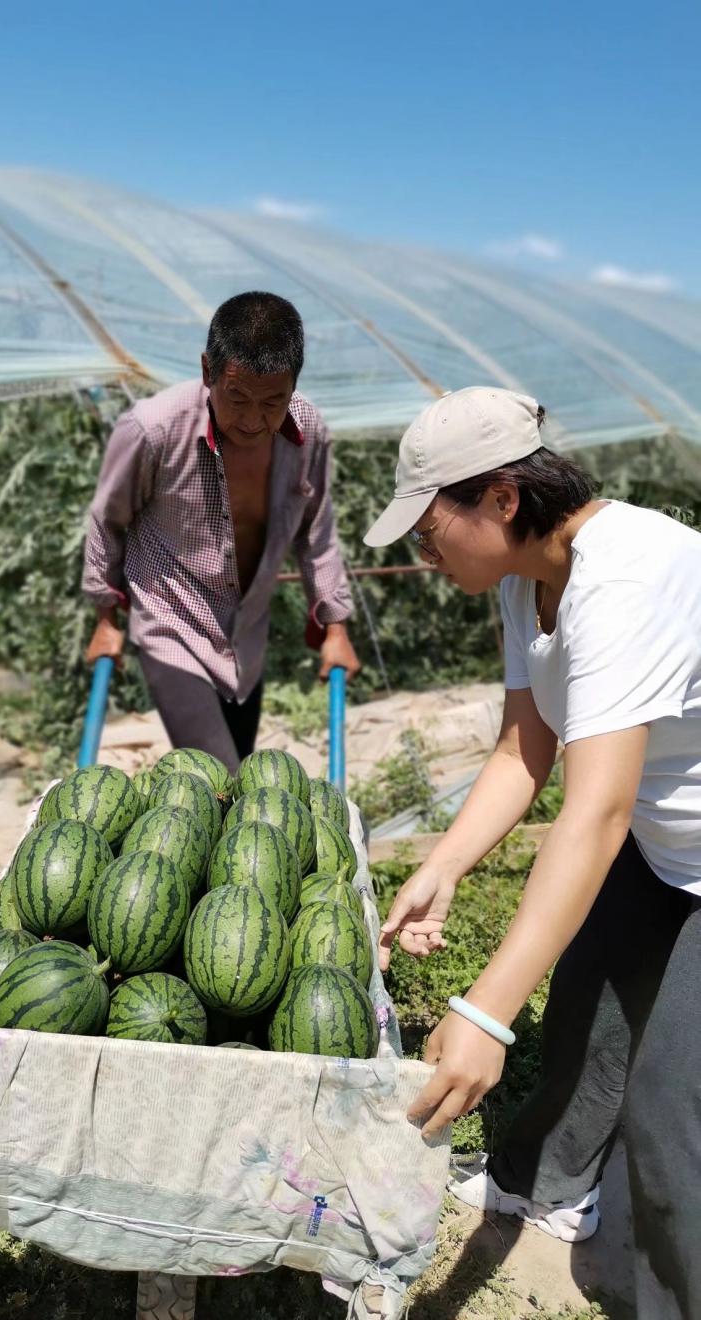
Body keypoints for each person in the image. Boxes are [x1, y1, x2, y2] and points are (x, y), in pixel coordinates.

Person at [365, 386, 701, 1320]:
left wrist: (484, 1012)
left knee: (673, 1110)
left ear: (503, 499)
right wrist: (444, 867)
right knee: (588, 1013)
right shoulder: (526, 579)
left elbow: (594, 812)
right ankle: (550, 1188)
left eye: (431, 534)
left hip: (662, 829)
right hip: (662, 834)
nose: (426, 559)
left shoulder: (625, 579)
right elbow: (526, 747)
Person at [82, 291, 360, 774]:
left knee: (239, 782)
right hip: (174, 627)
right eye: (238, 399)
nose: (254, 421)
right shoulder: (152, 430)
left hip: (246, 640)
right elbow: (108, 521)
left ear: (294, 385)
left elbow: (316, 530)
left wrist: (335, 628)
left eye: (273, 402)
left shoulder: (309, 429)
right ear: (208, 371)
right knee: (223, 782)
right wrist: (107, 619)